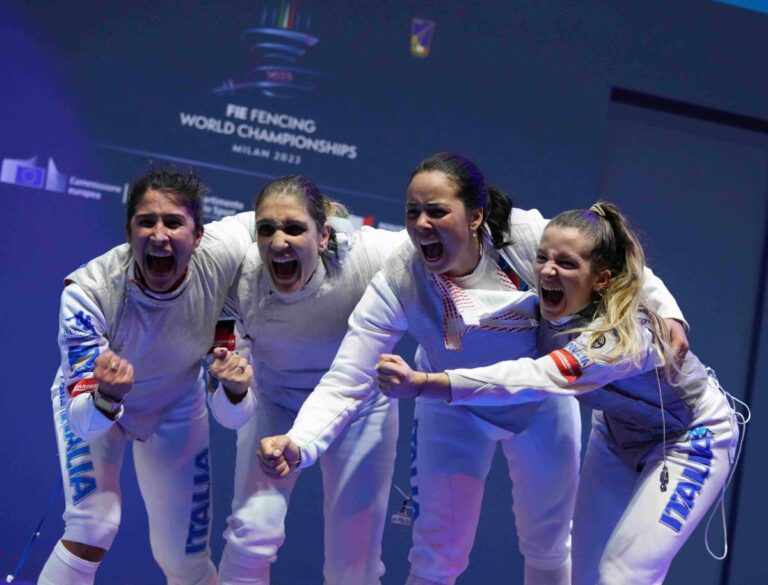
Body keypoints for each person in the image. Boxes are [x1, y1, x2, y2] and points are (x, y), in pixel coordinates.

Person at [258, 153, 688, 585]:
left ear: (475, 216)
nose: (421, 224)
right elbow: (346, 379)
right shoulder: (400, 279)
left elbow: (617, 266)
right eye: (412, 212)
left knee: (549, 542)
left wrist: (669, 313)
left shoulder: (527, 238)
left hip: (540, 403)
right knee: (437, 553)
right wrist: (300, 444)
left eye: (437, 211)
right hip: (453, 409)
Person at [377, 201, 743, 585]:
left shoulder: (622, 336)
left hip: (691, 438)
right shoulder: (541, 305)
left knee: (623, 575)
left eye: (566, 264)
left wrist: (426, 383)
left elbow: (535, 376)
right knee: (583, 577)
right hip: (616, 435)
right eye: (542, 258)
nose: (548, 271)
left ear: (600, 279)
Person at [38, 168, 257, 585]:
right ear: (128, 231)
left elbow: (234, 418)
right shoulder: (88, 292)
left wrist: (234, 389)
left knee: (187, 563)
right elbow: (84, 423)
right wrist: (106, 395)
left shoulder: (223, 252)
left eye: (173, 222)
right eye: (146, 222)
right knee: (92, 524)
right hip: (98, 404)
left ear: (198, 235)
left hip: (177, 402)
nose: (159, 234)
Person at [210, 175, 409, 585]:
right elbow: (231, 417)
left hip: (360, 409)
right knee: (251, 535)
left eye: (294, 228)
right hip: (274, 402)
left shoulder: (369, 254)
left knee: (354, 565)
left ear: (323, 237)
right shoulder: (240, 279)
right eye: (267, 229)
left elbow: (447, 250)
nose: (278, 242)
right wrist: (233, 389)